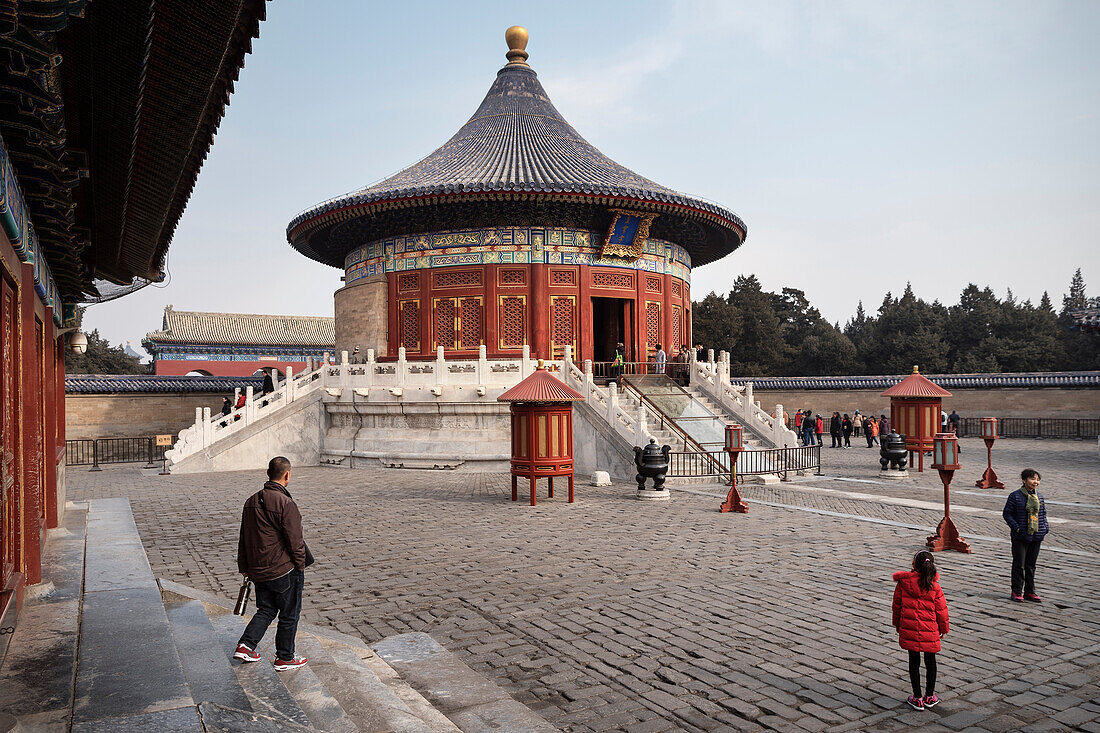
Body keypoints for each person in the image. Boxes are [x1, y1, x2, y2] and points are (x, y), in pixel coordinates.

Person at [234, 456, 310, 670]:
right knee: (289, 613)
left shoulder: (251, 501)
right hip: (283, 569)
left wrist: (245, 568)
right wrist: (300, 566)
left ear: (268, 474)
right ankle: (285, 657)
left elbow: (244, 537)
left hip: (258, 569)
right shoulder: (286, 503)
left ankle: (245, 645)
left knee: (266, 609)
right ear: (287, 475)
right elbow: (296, 541)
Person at [892, 550, 949, 711]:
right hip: (929, 630)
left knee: (913, 662)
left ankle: (917, 697)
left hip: (909, 628)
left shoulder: (903, 583)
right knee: (931, 662)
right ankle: (930, 696)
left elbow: (897, 607)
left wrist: (897, 625)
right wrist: (944, 629)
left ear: (913, 564)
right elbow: (942, 611)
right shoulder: (934, 586)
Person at [1002, 469, 1048, 602]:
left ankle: (1030, 591)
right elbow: (1007, 514)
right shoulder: (1015, 496)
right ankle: (1016, 591)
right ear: (1024, 480)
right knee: (1019, 564)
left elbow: (1043, 514)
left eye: (1038, 479)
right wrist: (1016, 528)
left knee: (1031, 565)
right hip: (1020, 536)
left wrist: (1045, 528)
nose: (1036, 482)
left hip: (1036, 535)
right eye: (1033, 479)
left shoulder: (1039, 497)